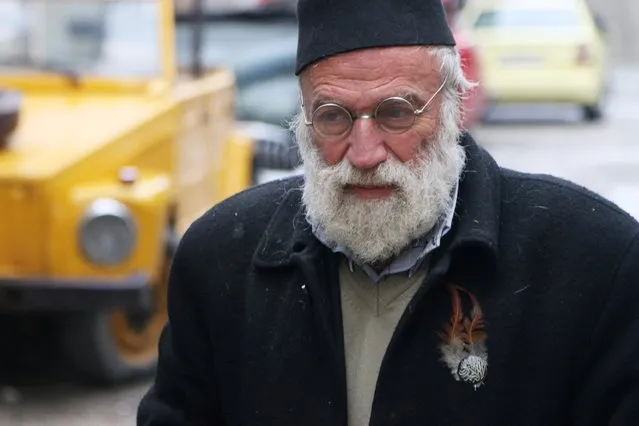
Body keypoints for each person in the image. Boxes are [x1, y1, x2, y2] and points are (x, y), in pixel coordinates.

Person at [137, 0, 639, 424]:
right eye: (332, 117)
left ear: (452, 108)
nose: (364, 152)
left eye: (396, 112)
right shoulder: (220, 260)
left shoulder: (594, 265)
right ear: (303, 120)